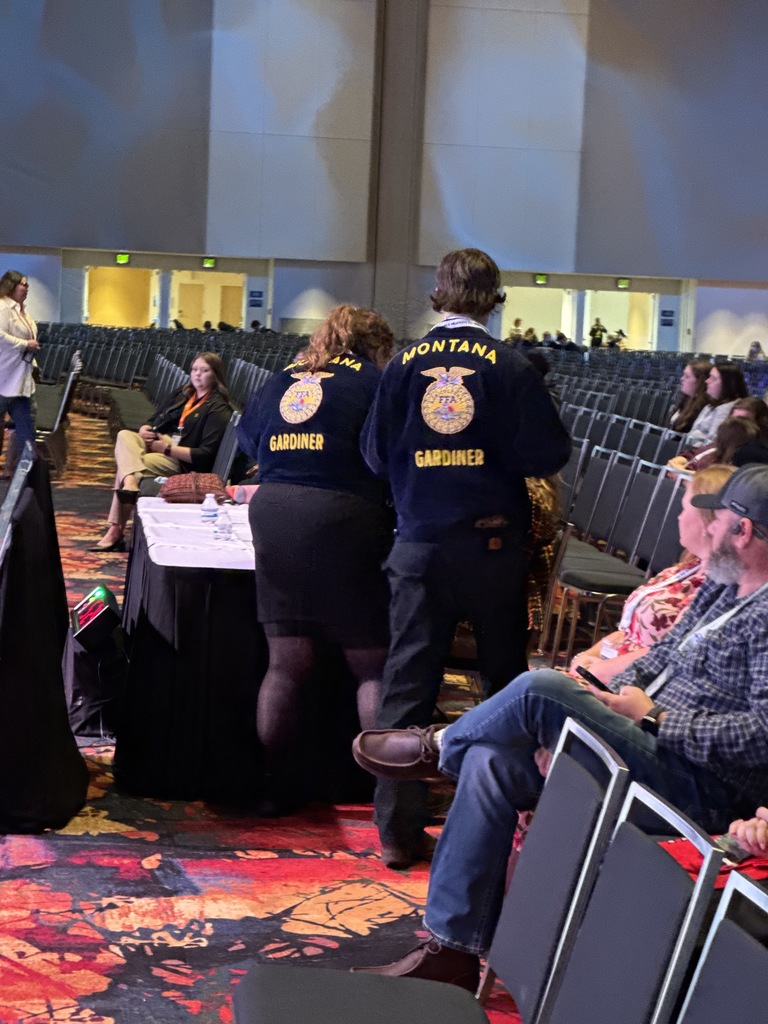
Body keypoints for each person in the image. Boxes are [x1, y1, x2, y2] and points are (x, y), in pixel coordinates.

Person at [351, 462, 768, 987]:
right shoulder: (724, 585)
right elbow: (656, 661)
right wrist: (606, 699)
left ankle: (437, 748)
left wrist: (656, 716)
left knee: (540, 686)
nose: (709, 526)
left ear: (743, 530)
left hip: (699, 783)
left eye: (721, 517)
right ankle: (451, 951)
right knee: (491, 761)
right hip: (644, 742)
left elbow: (761, 736)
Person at [359, 247, 571, 868]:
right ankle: (504, 822)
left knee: (407, 685)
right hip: (491, 548)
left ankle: (397, 831)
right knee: (504, 683)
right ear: (494, 298)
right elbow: (547, 455)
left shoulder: (402, 365)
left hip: (420, 545)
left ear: (438, 295)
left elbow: (374, 456)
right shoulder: (509, 366)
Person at [238, 305, 395, 815]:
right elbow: (386, 453)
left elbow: (248, 441)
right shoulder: (373, 381)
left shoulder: (286, 377)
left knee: (285, 663)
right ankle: (386, 793)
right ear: (375, 345)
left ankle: (271, 785)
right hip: (344, 513)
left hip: (276, 509)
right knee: (370, 664)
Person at [571, 464, 733, 683]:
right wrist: (587, 657)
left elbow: (666, 656)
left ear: (707, 521)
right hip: (610, 670)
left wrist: (597, 670)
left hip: (635, 686)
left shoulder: (715, 589)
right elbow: (628, 632)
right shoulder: (687, 567)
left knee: (533, 690)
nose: (678, 517)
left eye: (684, 509)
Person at [92, 352, 232, 551]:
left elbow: (204, 456)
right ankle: (130, 485)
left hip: (183, 462)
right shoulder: (183, 394)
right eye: (194, 370)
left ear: (215, 375)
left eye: (204, 370)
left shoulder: (218, 409)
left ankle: (115, 530)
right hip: (166, 444)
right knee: (125, 435)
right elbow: (156, 419)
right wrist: (145, 429)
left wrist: (166, 450)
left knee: (128, 467)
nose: (197, 375)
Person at [0, 270, 40, 466]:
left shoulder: (22, 310)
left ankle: (23, 472)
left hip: (21, 378)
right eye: (22, 284)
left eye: (27, 285)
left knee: (27, 429)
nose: (26, 288)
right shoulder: (3, 307)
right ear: (10, 285)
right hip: (4, 377)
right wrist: (25, 344)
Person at [685, 362, 748, 446]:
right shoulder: (709, 406)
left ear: (727, 384)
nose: (707, 381)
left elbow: (711, 443)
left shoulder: (728, 408)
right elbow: (692, 432)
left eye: (713, 378)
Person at [668, 359, 711, 433]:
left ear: (699, 381)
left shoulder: (701, 406)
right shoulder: (686, 398)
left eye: (687, 376)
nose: (682, 379)